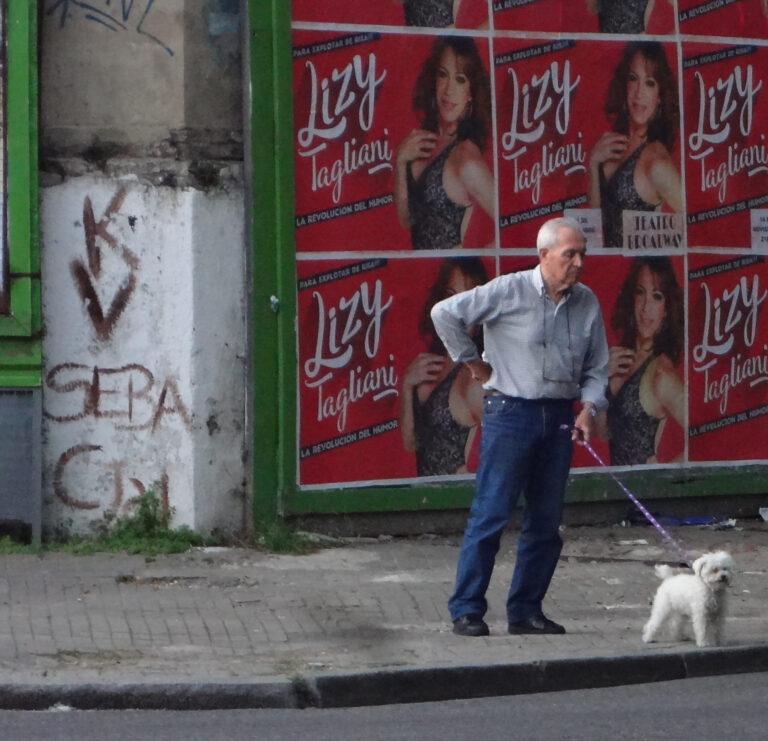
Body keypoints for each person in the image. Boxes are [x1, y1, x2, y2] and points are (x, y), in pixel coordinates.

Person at [431, 217, 609, 637]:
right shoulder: (508, 290)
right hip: (511, 413)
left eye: (582, 254)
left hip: (560, 415)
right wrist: (472, 362)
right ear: (544, 255)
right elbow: (444, 313)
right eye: (570, 254)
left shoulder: (586, 302)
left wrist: (589, 409)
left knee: (546, 522)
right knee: (492, 513)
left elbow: (597, 368)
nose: (579, 263)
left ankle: (526, 611)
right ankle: (467, 609)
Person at [394, 36, 495, 250]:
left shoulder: (465, 157)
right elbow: (407, 220)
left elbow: (510, 223)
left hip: (448, 266)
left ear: (471, 93)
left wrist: (475, 258)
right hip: (418, 268)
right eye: (443, 75)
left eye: (460, 80)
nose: (449, 90)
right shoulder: (424, 140)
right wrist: (401, 162)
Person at [588, 41, 682, 248]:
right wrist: (593, 164)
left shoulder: (656, 161)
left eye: (650, 83)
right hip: (599, 263)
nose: (639, 93)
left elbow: (695, 226)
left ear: (660, 96)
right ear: (625, 85)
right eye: (633, 79)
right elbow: (592, 233)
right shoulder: (612, 143)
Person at [400, 258, 489, 476]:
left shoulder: (474, 378)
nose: (456, 310)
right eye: (450, 296)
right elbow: (411, 443)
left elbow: (507, 444)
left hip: (455, 493)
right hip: (425, 491)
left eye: (467, 300)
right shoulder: (433, 363)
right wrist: (406, 385)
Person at [600, 257, 685, 465]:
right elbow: (601, 432)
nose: (646, 307)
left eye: (657, 296)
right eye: (640, 293)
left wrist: (664, 473)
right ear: (632, 299)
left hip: (644, 484)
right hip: (614, 481)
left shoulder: (661, 374)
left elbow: (705, 436)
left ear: (667, 309)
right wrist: (600, 377)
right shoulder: (620, 358)